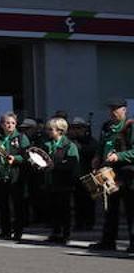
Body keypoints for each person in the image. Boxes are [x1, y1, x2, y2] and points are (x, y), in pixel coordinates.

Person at [88, 98, 134, 252]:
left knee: (131, 209)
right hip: (109, 174)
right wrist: (97, 157)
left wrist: (119, 156)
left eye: (117, 108)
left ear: (124, 110)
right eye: (111, 109)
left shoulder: (130, 126)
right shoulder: (107, 127)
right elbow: (101, 146)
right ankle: (108, 241)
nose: (113, 112)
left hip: (127, 173)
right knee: (109, 208)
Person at [0, 112, 29, 240]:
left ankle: (18, 232)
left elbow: (27, 155)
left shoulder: (21, 137)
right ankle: (5, 230)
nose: (10, 125)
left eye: (13, 123)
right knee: (3, 205)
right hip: (0, 175)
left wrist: (15, 158)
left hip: (15, 176)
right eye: (7, 123)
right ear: (2, 124)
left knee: (17, 205)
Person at [40, 117, 80, 244]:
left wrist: (55, 166)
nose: (48, 131)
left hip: (64, 182)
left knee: (64, 209)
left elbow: (72, 164)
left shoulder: (69, 145)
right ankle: (55, 232)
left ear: (60, 131)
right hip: (50, 181)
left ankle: (65, 234)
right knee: (53, 208)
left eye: (51, 129)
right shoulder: (47, 144)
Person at [67, 116, 96, 231]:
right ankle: (79, 223)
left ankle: (89, 223)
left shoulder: (90, 141)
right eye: (74, 128)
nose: (76, 130)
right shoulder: (71, 141)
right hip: (77, 175)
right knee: (78, 201)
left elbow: (93, 151)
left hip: (88, 174)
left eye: (78, 128)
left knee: (89, 201)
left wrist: (81, 148)